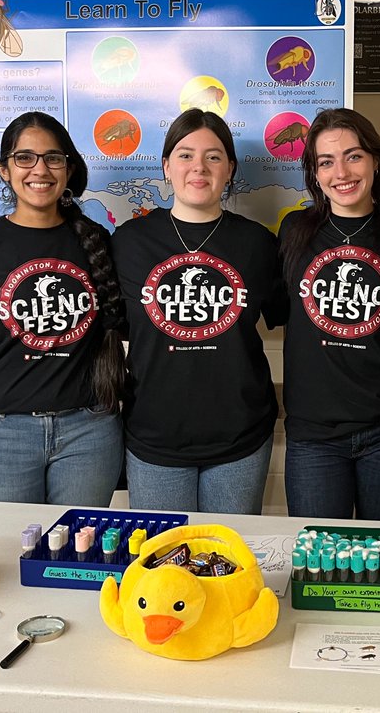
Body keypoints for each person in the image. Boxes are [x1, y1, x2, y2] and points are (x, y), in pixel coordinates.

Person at [0, 111, 127, 514]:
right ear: (4, 170)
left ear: (69, 169)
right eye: (25, 158)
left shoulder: (98, 243)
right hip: (1, 434)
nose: (40, 169)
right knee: (6, 559)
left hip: (88, 431)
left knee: (78, 560)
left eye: (53, 158)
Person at [112, 108, 286, 514]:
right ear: (166, 166)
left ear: (230, 169)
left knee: (231, 561)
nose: (199, 167)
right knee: (163, 565)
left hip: (239, 439)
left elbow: (287, 320)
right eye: (186, 155)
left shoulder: (258, 244)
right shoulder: (128, 243)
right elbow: (118, 328)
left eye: (213, 156)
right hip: (155, 438)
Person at [278, 108, 380, 520]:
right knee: (319, 566)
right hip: (314, 435)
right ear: (314, 172)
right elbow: (280, 310)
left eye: (354, 156)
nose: (341, 171)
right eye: (326, 161)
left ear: (376, 160)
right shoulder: (294, 231)